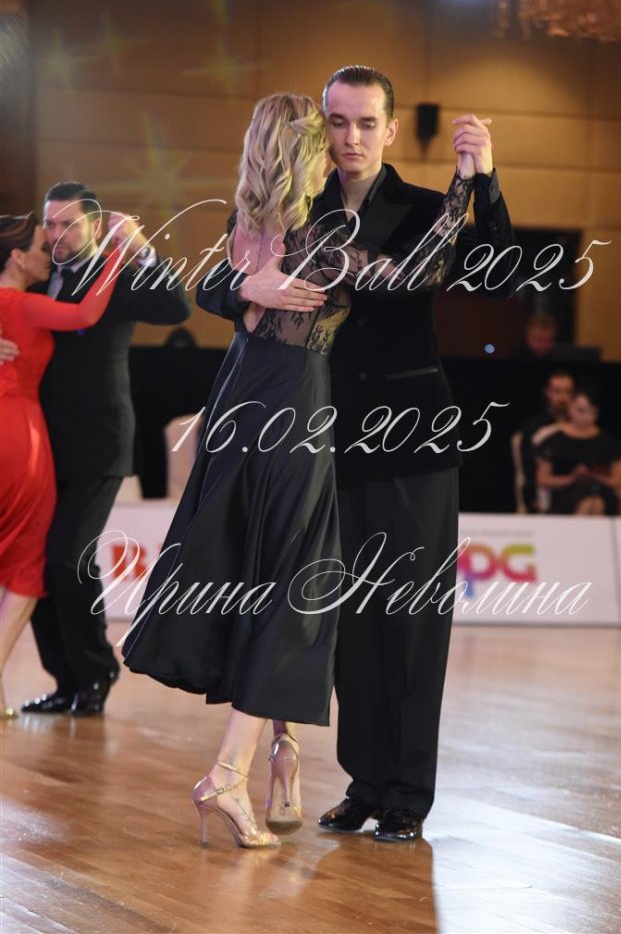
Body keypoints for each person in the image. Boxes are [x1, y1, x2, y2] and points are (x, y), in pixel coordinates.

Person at [121, 91, 476, 850]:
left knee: (272, 574)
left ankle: (279, 760)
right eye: (327, 135)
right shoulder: (319, 235)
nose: (340, 147)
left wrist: (243, 284)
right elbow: (420, 270)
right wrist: (463, 188)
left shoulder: (258, 221)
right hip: (294, 409)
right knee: (293, 586)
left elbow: (213, 284)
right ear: (305, 152)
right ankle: (234, 771)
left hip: (246, 397)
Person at [193, 65, 517, 842]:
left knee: (410, 619)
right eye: (337, 121)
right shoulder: (297, 202)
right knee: (345, 621)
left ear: (391, 129)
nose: (351, 137)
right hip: (321, 438)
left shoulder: (423, 206)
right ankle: (365, 782)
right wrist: (248, 290)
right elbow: (211, 281)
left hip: (412, 439)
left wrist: (486, 183)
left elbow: (502, 275)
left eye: (367, 122)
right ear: (321, 126)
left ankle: (408, 791)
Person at [0, 182, 191, 717]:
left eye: (69, 224)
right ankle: (66, 681)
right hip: (40, 445)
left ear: (94, 224)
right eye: (51, 224)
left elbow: (176, 305)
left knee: (67, 557)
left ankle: (96, 671)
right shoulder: (37, 274)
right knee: (37, 562)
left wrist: (142, 249)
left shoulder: (116, 273)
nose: (57, 235)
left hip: (99, 442)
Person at [0, 213, 122, 718]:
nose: (48, 250)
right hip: (18, 436)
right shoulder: (23, 303)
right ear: (15, 257)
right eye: (38, 244)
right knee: (27, 560)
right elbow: (87, 313)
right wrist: (117, 253)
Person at [536, 387, 621, 515]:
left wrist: (593, 476)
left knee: (595, 497)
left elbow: (616, 480)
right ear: (570, 408)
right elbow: (542, 479)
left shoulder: (608, 442)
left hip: (600, 492)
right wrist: (572, 478)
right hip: (566, 494)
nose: (586, 417)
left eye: (591, 412)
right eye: (581, 410)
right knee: (590, 499)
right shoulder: (554, 441)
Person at [515, 370, 574, 512]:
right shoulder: (534, 428)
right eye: (557, 391)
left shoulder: (581, 427)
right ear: (547, 392)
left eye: (567, 392)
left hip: (577, 489)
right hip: (547, 492)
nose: (562, 398)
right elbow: (527, 467)